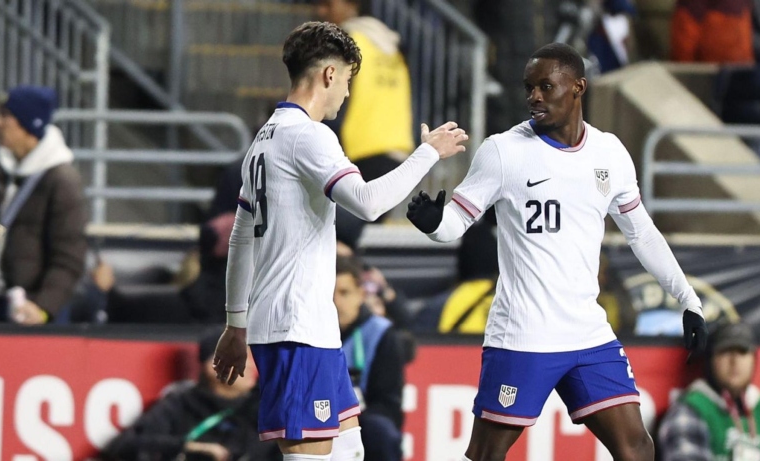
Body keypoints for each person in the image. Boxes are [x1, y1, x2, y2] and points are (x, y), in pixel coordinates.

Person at [405, 42, 708, 461]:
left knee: (637, 447)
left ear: (578, 87)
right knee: (487, 454)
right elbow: (455, 222)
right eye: (529, 87)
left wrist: (688, 300)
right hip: (524, 334)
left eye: (545, 86)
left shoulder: (610, 153)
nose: (534, 96)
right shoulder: (503, 151)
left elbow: (642, 234)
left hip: (588, 332)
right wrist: (434, 223)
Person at [211, 21, 466, 461]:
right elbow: (367, 202)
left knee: (349, 451)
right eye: (348, 80)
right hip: (296, 328)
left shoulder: (263, 139)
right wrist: (428, 153)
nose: (347, 94)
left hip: (308, 328)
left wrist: (236, 324)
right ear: (329, 74)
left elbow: (240, 238)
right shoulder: (308, 135)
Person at [101, 328, 281, 461]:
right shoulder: (181, 404)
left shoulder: (268, 407)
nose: (251, 365)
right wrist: (188, 448)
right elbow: (124, 446)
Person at [0, 86, 87, 324]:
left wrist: (43, 307)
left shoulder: (61, 181)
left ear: (29, 125)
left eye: (6, 116)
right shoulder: (4, 170)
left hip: (28, 309)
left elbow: (69, 257)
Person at [657, 321, 760, 461]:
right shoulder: (689, 410)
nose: (734, 361)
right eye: (725, 352)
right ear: (710, 359)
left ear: (754, 359)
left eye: (742, 352)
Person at [316, 0, 415, 181]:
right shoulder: (390, 44)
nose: (321, 11)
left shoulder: (344, 43)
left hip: (360, 151)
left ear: (352, 5)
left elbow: (331, 100)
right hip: (398, 151)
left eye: (328, 4)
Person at [335, 255, 405, 460]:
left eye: (344, 293)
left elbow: (388, 405)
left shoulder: (381, 333)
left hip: (362, 422)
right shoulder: (304, 333)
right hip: (310, 419)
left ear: (361, 294)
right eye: (328, 293)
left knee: (380, 430)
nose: (336, 302)